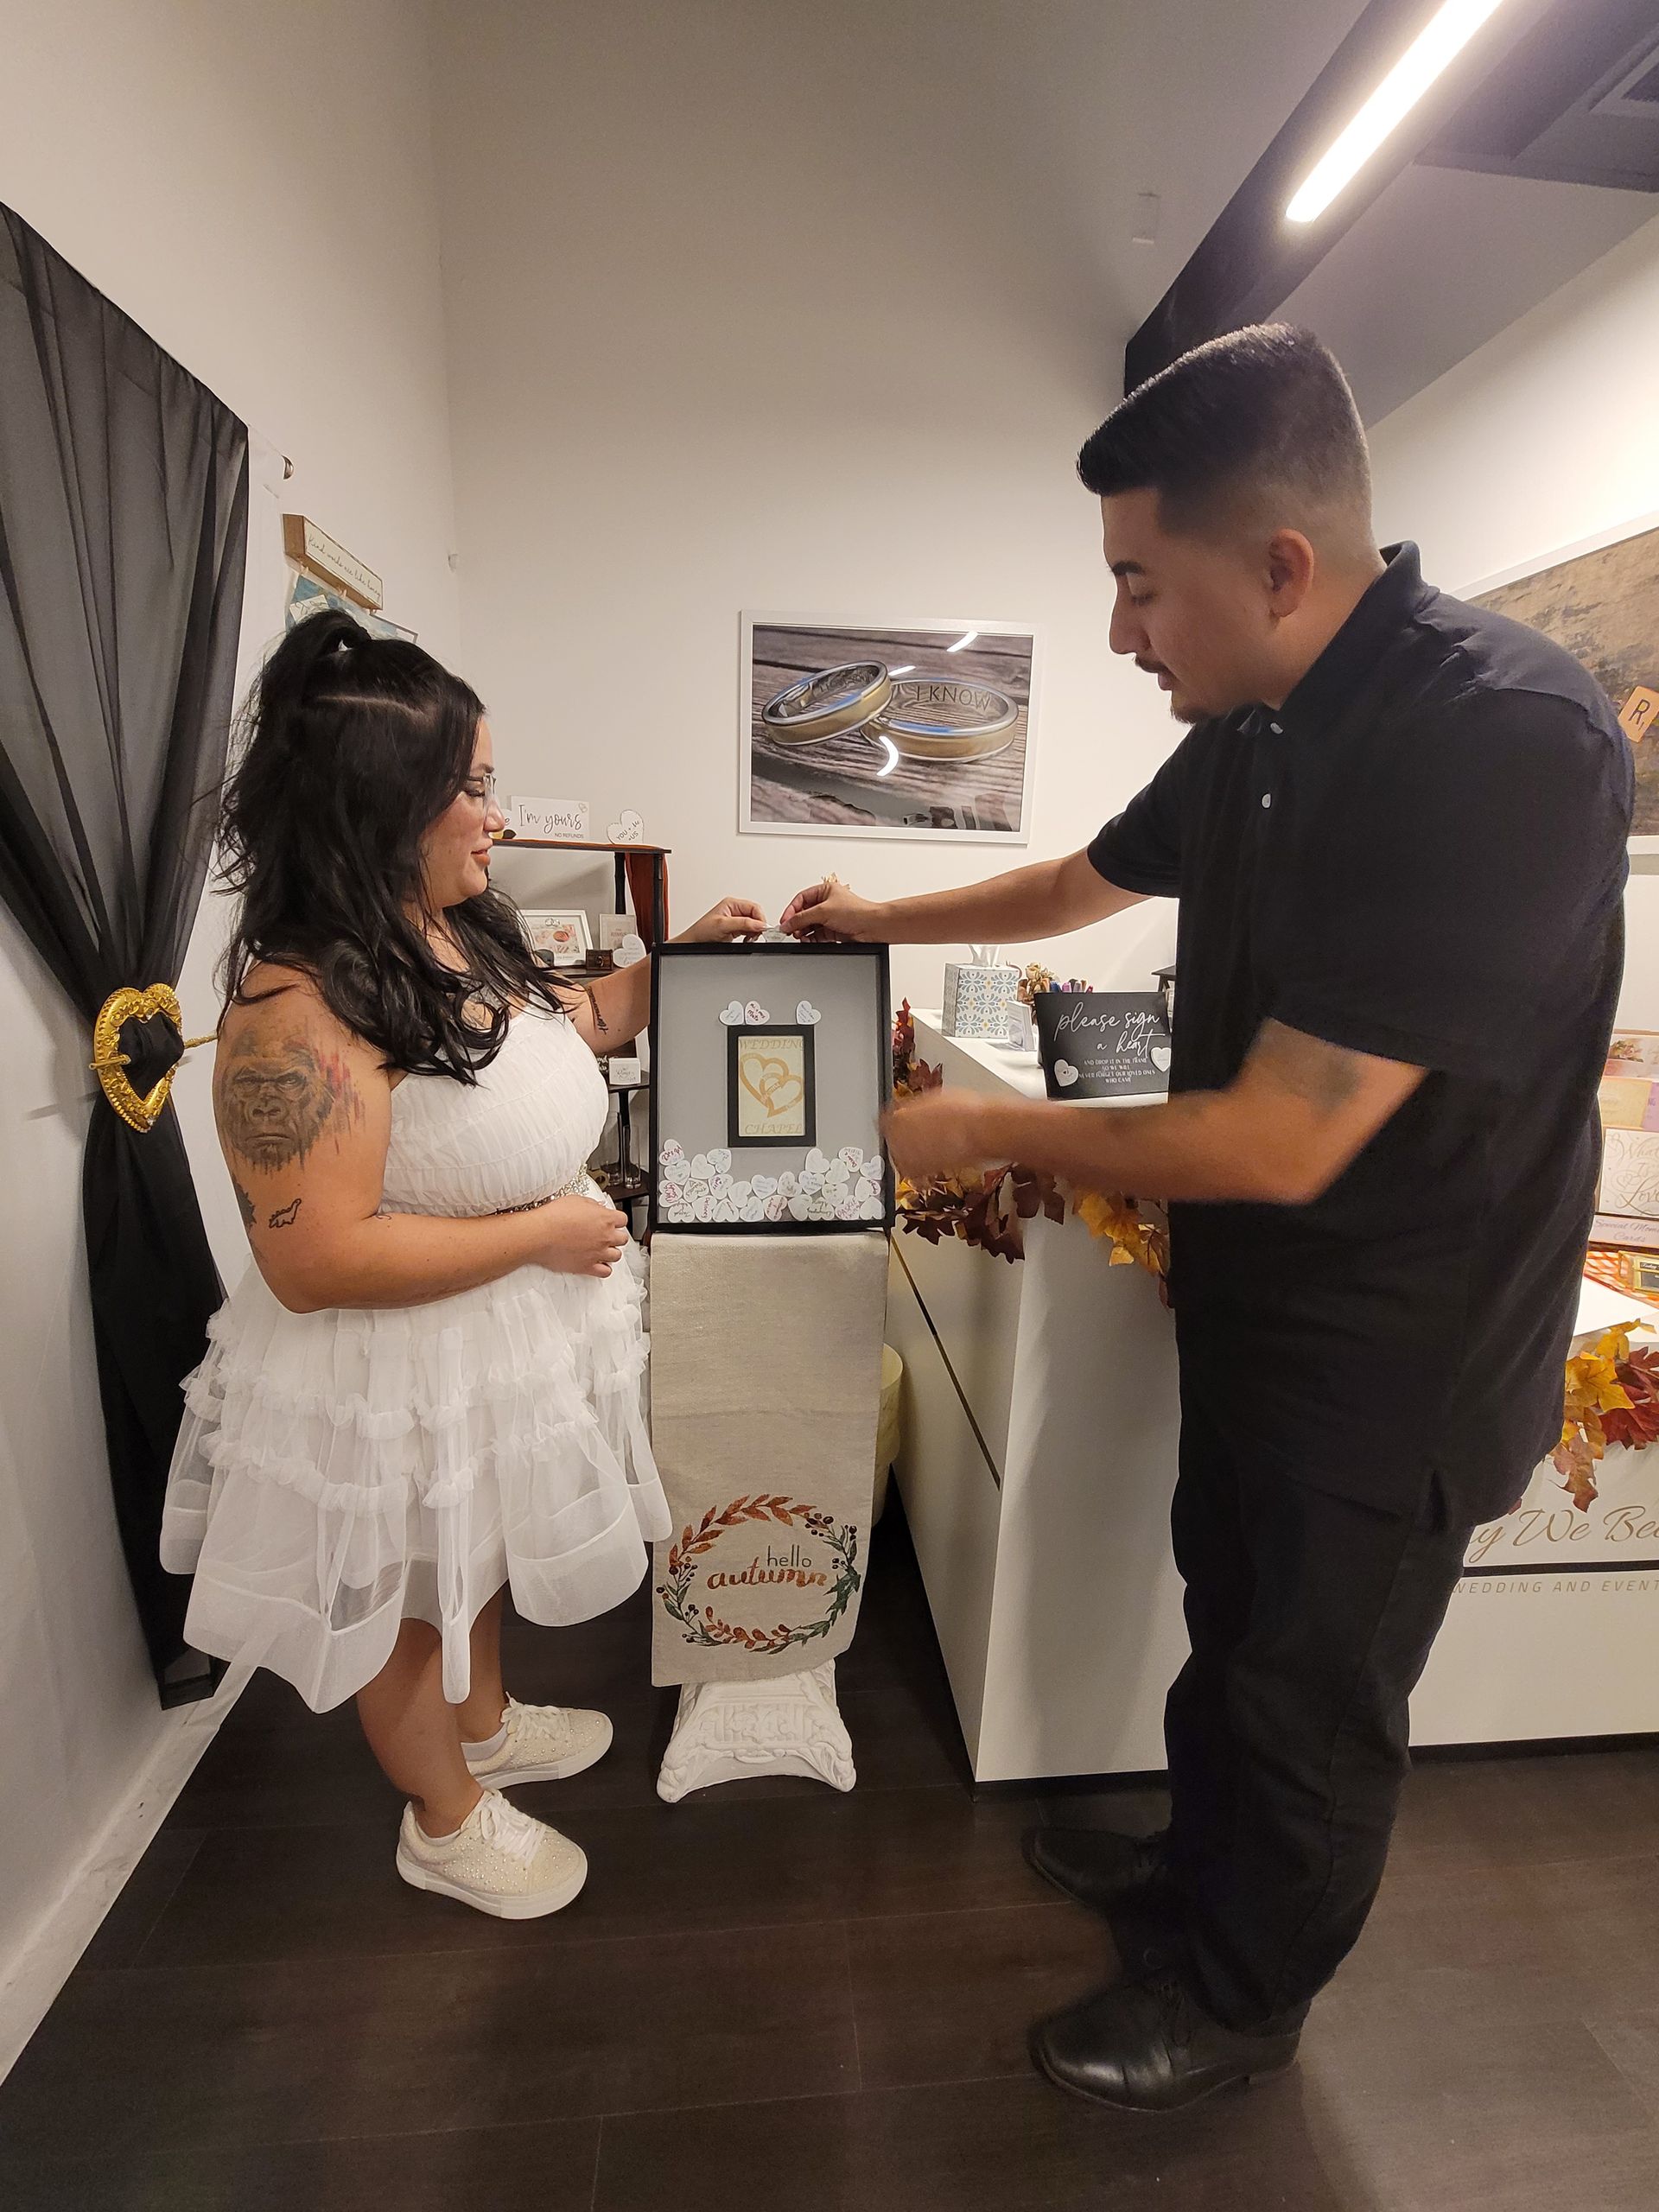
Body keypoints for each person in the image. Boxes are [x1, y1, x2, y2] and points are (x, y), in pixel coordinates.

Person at [782, 324, 1632, 2111]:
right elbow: (1086, 875)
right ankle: (1190, 1874)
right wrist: (880, 917)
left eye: (1137, 586)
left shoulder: (1499, 742)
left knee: (1316, 1691)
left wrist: (988, 1127)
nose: (1119, 633)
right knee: (1231, 1619)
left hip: (1403, 1354)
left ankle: (1245, 1997)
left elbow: (1289, 1133)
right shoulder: (1252, 725)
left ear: (1280, 566)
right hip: (1260, 1311)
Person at [162, 609, 762, 1918]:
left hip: (496, 1328)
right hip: (397, 1354)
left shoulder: (456, 924)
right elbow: (313, 1259)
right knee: (411, 1597)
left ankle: (481, 1724)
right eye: (474, 788)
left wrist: (682, 961)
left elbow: (581, 1021)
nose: (497, 816)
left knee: (472, 1552)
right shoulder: (294, 1006)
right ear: (385, 807)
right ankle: (443, 1816)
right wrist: (545, 1233)